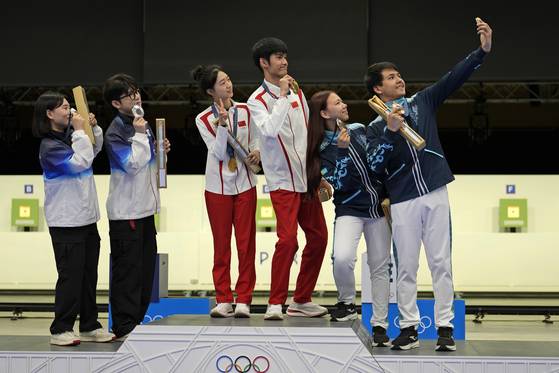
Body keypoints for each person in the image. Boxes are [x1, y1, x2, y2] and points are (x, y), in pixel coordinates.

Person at [365, 18, 493, 351]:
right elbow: (376, 165)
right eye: (391, 77)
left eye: (398, 74)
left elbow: (453, 78)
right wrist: (392, 132)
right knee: (406, 265)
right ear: (378, 88)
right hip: (404, 200)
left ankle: (445, 328)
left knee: (440, 262)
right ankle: (408, 328)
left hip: (436, 191)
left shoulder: (422, 102)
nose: (400, 79)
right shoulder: (376, 128)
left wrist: (480, 52)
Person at [247, 37, 330, 320]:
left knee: (319, 238)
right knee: (288, 241)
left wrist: (318, 176)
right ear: (263, 63)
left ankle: (301, 300)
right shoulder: (255, 101)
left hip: (305, 178)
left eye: (285, 56)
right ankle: (275, 302)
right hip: (282, 181)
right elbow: (269, 131)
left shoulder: (297, 92)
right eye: (278, 57)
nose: (284, 62)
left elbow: (308, 134)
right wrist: (282, 96)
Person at [306, 90, 392, 347]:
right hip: (348, 209)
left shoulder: (359, 129)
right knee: (342, 258)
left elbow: (378, 164)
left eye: (342, 101)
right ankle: (346, 302)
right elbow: (339, 183)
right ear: (324, 113)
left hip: (377, 210)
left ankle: (380, 325)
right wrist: (342, 151)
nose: (344, 105)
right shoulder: (321, 148)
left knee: (379, 268)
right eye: (337, 103)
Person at [34, 91, 114, 346]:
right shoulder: (49, 147)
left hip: (87, 218)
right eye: (64, 107)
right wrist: (80, 132)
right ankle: (61, 328)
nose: (69, 112)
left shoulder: (71, 136)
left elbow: (93, 149)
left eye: (70, 106)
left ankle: (90, 325)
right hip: (66, 222)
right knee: (70, 276)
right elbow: (80, 162)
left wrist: (92, 129)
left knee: (89, 275)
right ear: (49, 113)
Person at [103, 73, 170, 339]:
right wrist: (143, 138)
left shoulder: (141, 124)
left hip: (145, 210)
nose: (136, 97)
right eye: (129, 95)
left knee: (144, 273)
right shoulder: (116, 131)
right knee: (128, 273)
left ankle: (136, 325)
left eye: (137, 91)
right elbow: (131, 164)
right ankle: (123, 327)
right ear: (116, 104)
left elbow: (147, 163)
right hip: (126, 212)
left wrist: (158, 148)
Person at [193, 64, 260, 318]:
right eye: (222, 83)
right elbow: (219, 153)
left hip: (245, 185)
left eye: (229, 80)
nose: (228, 85)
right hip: (217, 188)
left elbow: (256, 140)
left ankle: (244, 299)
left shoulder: (245, 110)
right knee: (221, 245)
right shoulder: (203, 119)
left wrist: (257, 151)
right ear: (211, 91)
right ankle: (223, 298)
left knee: (246, 244)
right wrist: (221, 126)